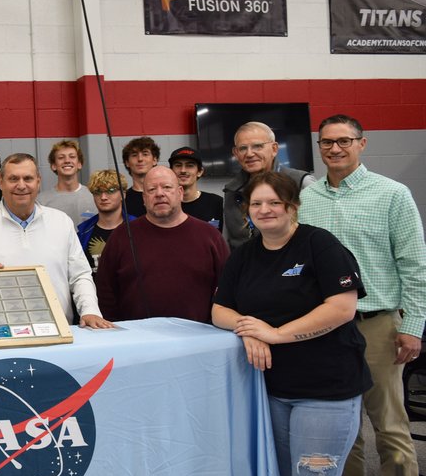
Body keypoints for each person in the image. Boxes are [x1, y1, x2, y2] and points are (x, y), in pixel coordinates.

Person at [212, 171, 371, 476]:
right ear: (246, 210)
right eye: (256, 204)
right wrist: (250, 330)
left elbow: (342, 308)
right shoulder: (244, 256)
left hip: (326, 388)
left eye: (274, 202)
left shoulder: (319, 244)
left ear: (292, 206)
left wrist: (276, 335)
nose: (265, 210)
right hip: (273, 389)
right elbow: (220, 311)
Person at [298, 114, 426, 476]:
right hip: (324, 327)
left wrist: (413, 327)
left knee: (388, 421)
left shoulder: (392, 194)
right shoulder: (309, 199)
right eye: (326, 142)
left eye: (344, 141)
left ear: (362, 143)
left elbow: (415, 266)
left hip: (376, 324)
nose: (334, 149)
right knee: (341, 422)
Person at [0, 153, 111, 329]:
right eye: (13, 178)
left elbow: (80, 275)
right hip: (0, 336)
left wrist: (90, 310)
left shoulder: (61, 222)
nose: (21, 185)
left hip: (58, 331)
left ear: (38, 181)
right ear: (1, 180)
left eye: (28, 178)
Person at [96, 166, 228, 324]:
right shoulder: (122, 236)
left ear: (180, 192)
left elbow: (227, 291)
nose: (159, 194)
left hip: (199, 341)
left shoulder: (210, 236)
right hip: (136, 342)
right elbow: (105, 292)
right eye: (152, 189)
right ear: (144, 198)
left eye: (167, 187)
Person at [224, 121, 314, 250]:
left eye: (257, 146)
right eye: (243, 148)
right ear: (236, 153)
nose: (249, 153)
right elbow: (227, 239)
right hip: (243, 266)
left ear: (274, 149)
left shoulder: (301, 182)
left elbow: (317, 232)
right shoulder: (231, 190)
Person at [76, 169, 135, 275]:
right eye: (98, 192)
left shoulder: (136, 228)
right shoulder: (83, 233)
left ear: (123, 194)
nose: (103, 197)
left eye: (110, 191)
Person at [37, 139, 97, 228]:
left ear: (79, 164)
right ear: (54, 166)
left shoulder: (95, 196)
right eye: (61, 157)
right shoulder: (41, 201)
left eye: (72, 156)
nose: (67, 160)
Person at [168, 147, 223, 231]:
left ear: (200, 172)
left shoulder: (216, 203)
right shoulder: (164, 204)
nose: (183, 170)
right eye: (178, 165)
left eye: (190, 166)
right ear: (171, 171)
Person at [120, 137, 159, 218]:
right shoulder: (122, 199)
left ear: (154, 160)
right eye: (134, 155)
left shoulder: (164, 195)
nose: (140, 159)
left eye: (145, 154)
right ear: (127, 163)